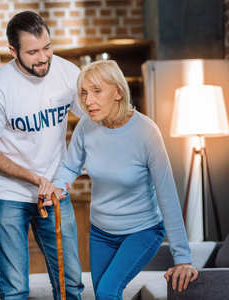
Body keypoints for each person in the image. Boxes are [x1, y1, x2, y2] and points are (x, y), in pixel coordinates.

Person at [38, 60, 198, 299]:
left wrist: (183, 258)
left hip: (142, 231)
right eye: (84, 93)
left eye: (97, 91)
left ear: (118, 92)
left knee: (107, 291)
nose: (88, 101)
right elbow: (70, 167)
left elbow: (167, 195)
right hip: (101, 232)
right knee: (105, 295)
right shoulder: (85, 127)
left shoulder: (146, 132)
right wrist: (57, 187)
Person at [0, 11, 85, 300]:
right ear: (13, 51)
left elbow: (92, 121)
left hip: (55, 194)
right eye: (33, 52)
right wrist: (35, 178)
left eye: (47, 47)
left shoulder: (67, 73)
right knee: (15, 290)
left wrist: (66, 173)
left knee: (70, 283)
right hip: (9, 195)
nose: (43, 57)